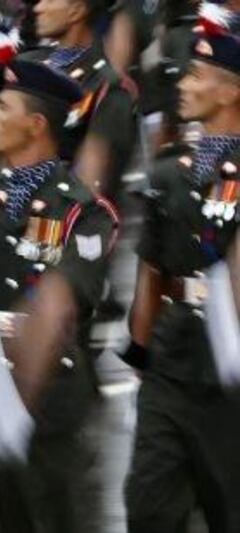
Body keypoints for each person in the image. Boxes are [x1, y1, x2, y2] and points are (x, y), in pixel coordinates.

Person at [0, 59, 119, 533]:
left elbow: (73, 298)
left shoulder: (83, 212)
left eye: (2, 106)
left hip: (47, 403)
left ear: (34, 125)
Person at [121, 31, 240, 533]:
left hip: (232, 371)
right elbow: (152, 274)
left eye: (196, 75)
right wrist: (141, 358)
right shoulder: (170, 172)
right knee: (149, 505)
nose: (183, 85)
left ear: (231, 91)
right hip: (175, 358)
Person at [23, 0, 136, 200]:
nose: (38, 8)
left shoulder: (106, 87)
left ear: (76, 11)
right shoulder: (24, 65)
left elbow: (88, 187)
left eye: (49, 1)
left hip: (53, 214)